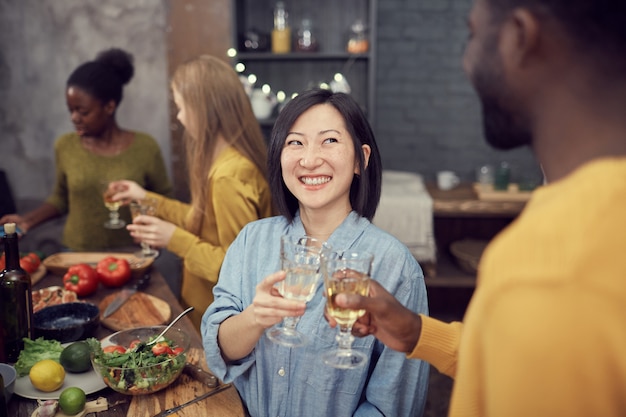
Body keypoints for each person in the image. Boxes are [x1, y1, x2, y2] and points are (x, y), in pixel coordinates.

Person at [333, 1, 626, 416]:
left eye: (473, 35)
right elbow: (529, 358)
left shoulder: (548, 267)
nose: (467, 62)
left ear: (520, 37)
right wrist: (419, 332)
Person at [201, 89, 430, 417]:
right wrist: (255, 318)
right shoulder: (252, 240)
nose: (309, 160)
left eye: (330, 141)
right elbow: (220, 348)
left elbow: (392, 405)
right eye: (295, 142)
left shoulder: (396, 267)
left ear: (360, 160)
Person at [110, 55, 273, 330]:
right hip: (209, 309)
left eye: (181, 107)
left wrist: (174, 239)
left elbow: (237, 269)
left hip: (222, 317)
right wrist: (145, 198)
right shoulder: (226, 162)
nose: (179, 117)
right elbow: (203, 220)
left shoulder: (228, 177)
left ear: (203, 109)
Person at [0, 48, 172, 251]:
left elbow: (164, 200)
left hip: (132, 254)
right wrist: (28, 220)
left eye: (83, 111)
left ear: (109, 107)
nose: (74, 118)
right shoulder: (65, 146)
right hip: (77, 253)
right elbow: (60, 198)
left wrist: (153, 230)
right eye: (71, 110)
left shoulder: (145, 147)